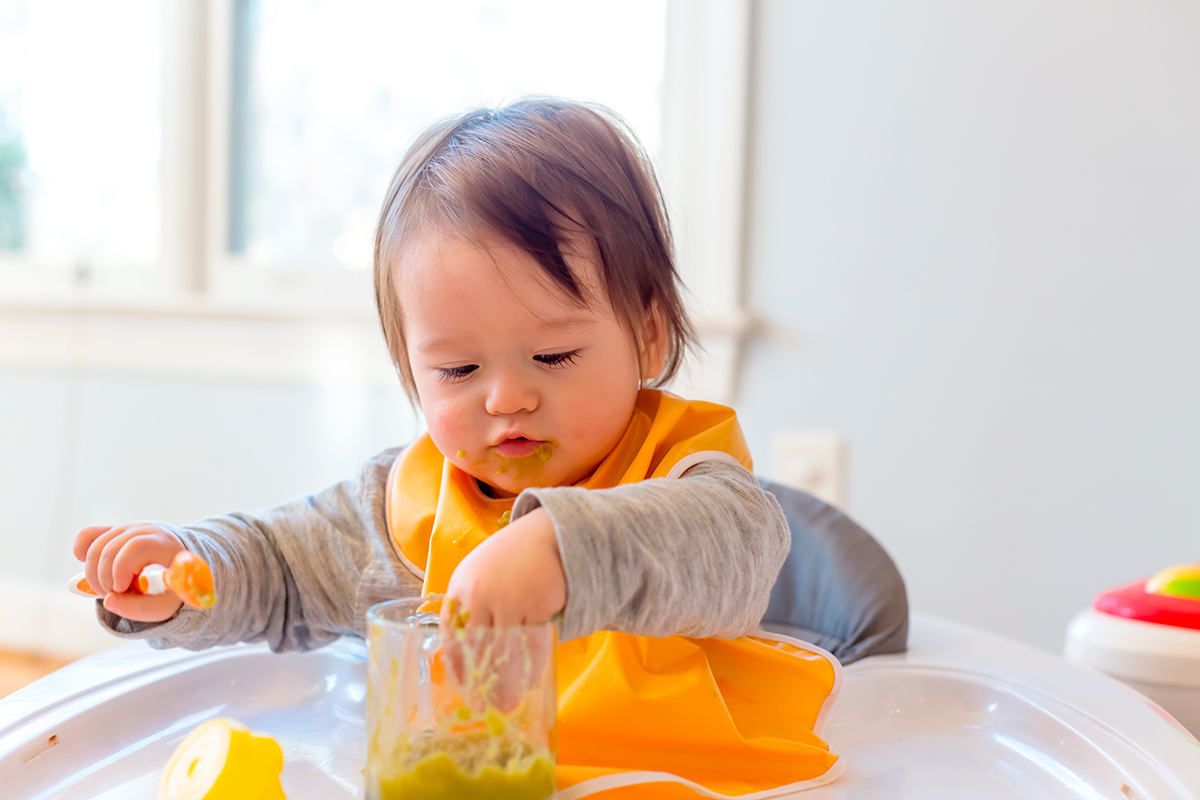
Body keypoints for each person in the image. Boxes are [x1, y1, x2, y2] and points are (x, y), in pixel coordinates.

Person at [72, 99, 843, 798]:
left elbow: (738, 547)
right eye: (458, 370)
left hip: (696, 780)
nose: (506, 398)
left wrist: (556, 554)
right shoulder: (406, 512)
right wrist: (186, 569)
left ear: (645, 333)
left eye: (553, 357)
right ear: (411, 368)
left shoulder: (687, 473)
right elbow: (279, 567)